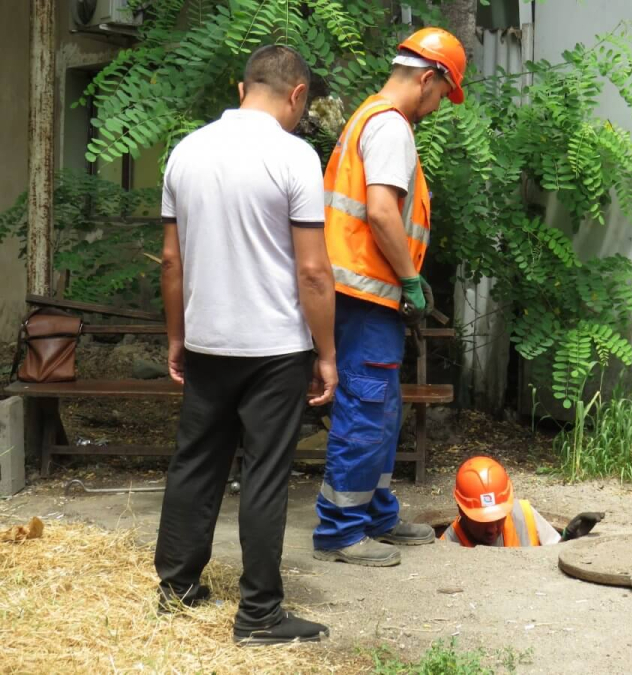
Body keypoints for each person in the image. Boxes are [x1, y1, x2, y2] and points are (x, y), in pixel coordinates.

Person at [155, 45, 337, 645]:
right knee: (263, 475)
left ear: (242, 89)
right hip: (274, 348)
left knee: (196, 463)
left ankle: (177, 589)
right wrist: (327, 353)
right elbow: (313, 273)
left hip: (208, 339)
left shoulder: (186, 151)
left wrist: (178, 336)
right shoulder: (296, 157)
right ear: (297, 95)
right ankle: (259, 614)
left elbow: (172, 261)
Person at [312, 28, 467, 567]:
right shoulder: (391, 127)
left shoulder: (367, 118)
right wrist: (410, 280)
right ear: (428, 79)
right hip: (365, 295)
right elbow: (380, 212)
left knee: (382, 409)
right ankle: (341, 529)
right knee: (366, 407)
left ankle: (374, 514)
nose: (439, 107)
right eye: (443, 96)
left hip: (358, 294)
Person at [440, 456, 603, 547]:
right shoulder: (446, 546)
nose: (492, 529)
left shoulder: (523, 514)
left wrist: (568, 537)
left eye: (498, 518)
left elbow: (553, 552)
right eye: (482, 521)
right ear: (462, 511)